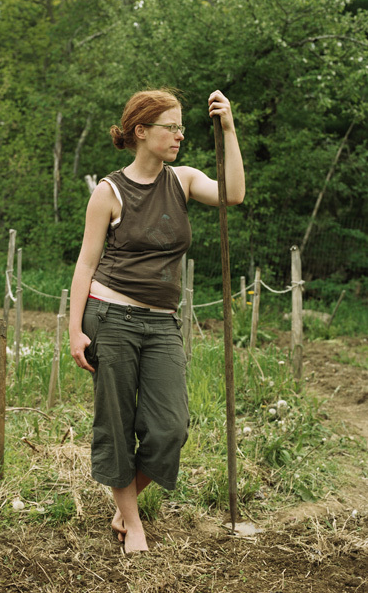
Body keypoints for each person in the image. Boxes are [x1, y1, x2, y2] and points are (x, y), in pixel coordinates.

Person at [69, 88, 245, 553]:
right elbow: (85, 266)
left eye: (183, 126)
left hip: (163, 323)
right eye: (171, 127)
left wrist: (227, 128)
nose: (180, 136)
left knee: (171, 428)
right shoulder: (109, 192)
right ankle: (133, 524)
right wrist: (74, 329)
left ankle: (125, 503)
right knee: (117, 422)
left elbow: (233, 194)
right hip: (110, 317)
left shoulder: (183, 179)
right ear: (141, 132)